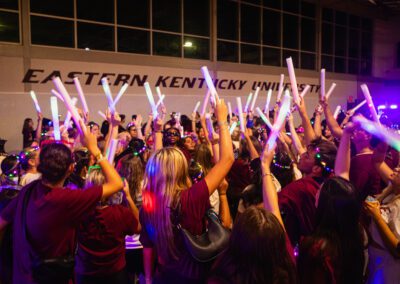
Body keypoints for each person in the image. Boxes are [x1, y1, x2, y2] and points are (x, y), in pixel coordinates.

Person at [0, 120, 124, 284]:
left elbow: (2, 223)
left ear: (39, 165)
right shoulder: (69, 199)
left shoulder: (27, 191)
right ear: (71, 168)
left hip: (22, 277)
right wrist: (95, 150)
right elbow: (117, 183)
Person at [140, 100, 234, 283]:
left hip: (164, 277)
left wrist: (149, 278)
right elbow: (227, 159)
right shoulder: (191, 197)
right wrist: (222, 120)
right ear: (182, 170)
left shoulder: (148, 206)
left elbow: (148, 246)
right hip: (195, 276)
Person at [208, 143, 296, 284]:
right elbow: (273, 209)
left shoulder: (222, 272)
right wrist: (266, 167)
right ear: (278, 241)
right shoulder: (287, 265)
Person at [298, 122, 365, 284]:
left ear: (326, 206)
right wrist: (347, 134)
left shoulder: (318, 250)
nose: (317, 192)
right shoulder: (356, 234)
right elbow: (342, 172)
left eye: (321, 192)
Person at [75, 166, 141, 284]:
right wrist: (128, 196)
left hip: (86, 274)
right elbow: (139, 227)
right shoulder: (120, 213)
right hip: (115, 274)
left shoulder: (79, 213)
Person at [278, 138, 337, 246]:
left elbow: (273, 204)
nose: (301, 155)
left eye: (307, 156)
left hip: (309, 247)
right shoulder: (333, 181)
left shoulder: (301, 187)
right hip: (331, 245)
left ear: (316, 169)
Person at [364, 142, 400, 283]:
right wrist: (384, 139)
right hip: (377, 257)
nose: (396, 168)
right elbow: (378, 160)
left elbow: (397, 250)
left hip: (389, 265)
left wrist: (377, 216)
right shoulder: (392, 189)